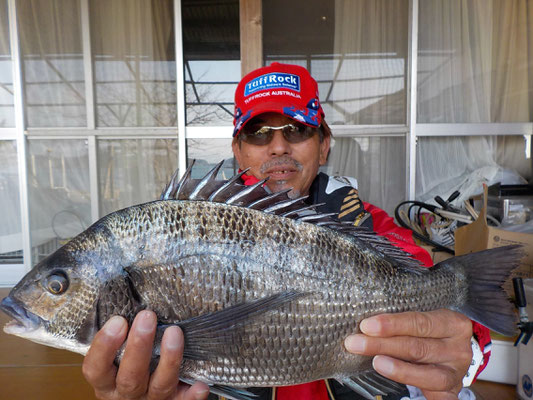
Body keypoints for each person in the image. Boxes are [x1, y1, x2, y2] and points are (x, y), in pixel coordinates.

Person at [82, 63, 490, 400]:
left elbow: (459, 322)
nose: (278, 146)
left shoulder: (374, 229)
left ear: (324, 144)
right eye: (258, 134)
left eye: (296, 129)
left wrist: (460, 354)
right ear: (237, 150)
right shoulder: (185, 230)